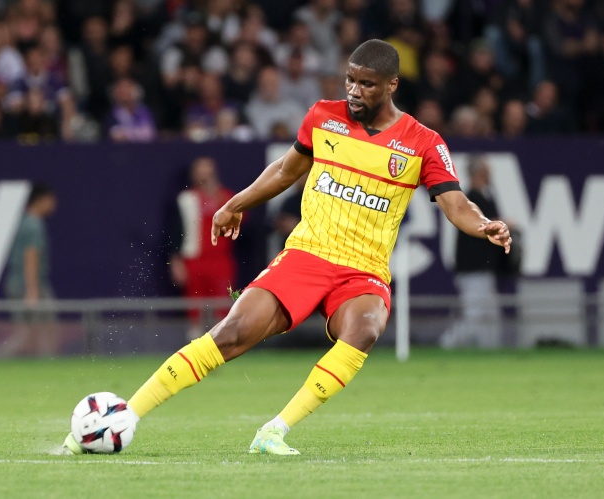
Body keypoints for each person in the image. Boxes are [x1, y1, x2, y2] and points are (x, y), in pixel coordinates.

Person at [63, 39, 512, 456]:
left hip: (363, 269)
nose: (354, 91)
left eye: (367, 84)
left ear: (392, 85)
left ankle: (274, 431)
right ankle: (127, 415)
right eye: (350, 80)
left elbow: (455, 203)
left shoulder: (423, 142)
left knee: (365, 328)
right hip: (307, 254)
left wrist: (483, 225)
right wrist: (235, 204)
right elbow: (284, 171)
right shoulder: (323, 116)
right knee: (232, 333)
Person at [439, 156, 505, 349]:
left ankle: (490, 353)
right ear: (478, 173)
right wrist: (505, 224)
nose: (490, 175)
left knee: (491, 316)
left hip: (483, 268)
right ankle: (447, 344)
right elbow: (486, 225)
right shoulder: (471, 199)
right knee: (474, 316)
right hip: (472, 269)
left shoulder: (486, 196)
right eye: (486, 171)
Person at [168, 157, 237, 340]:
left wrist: (217, 196)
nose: (204, 176)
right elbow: (175, 232)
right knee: (195, 306)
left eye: (208, 172)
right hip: (194, 259)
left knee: (221, 305)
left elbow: (240, 221)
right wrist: (176, 261)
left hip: (220, 259)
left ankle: (221, 343)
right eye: (200, 172)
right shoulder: (186, 199)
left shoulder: (226, 197)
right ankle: (195, 344)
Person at [0, 183, 58, 356]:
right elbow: (30, 256)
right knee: (44, 331)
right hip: (30, 285)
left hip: (18, 283)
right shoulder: (34, 224)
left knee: (27, 334)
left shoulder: (23, 222)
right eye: (51, 200)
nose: (54, 204)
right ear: (40, 200)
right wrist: (32, 290)